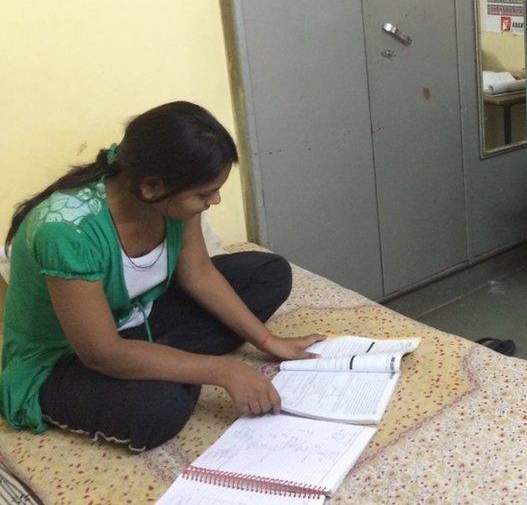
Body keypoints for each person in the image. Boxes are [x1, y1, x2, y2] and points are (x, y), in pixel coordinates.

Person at [1, 101, 324, 451]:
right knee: (157, 409)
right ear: (151, 187)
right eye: (204, 193)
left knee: (268, 273)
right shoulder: (65, 231)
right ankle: (162, 365)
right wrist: (222, 371)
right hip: (66, 357)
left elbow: (198, 274)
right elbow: (102, 353)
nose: (214, 200)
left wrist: (267, 341)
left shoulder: (167, 201)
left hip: (136, 317)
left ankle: (159, 360)